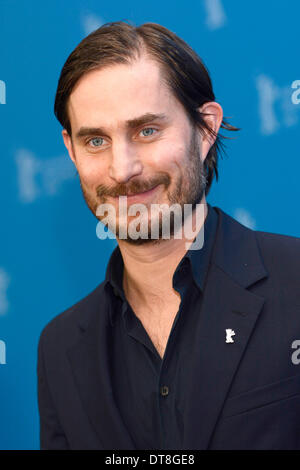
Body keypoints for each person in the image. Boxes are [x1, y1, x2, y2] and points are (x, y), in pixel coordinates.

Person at [37, 20, 300, 450]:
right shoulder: (61, 348)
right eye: (96, 141)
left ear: (205, 130)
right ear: (71, 149)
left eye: (146, 131)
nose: (122, 169)